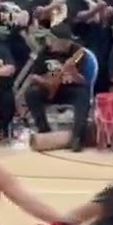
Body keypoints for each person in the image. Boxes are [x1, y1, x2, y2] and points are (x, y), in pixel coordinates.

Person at [22, 24, 93, 152]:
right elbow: (34, 75)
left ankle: (77, 136)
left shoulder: (78, 53)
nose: (50, 43)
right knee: (31, 93)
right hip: (48, 88)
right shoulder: (45, 52)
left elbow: (83, 80)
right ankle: (44, 130)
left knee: (83, 93)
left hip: (69, 89)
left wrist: (73, 73)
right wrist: (46, 82)